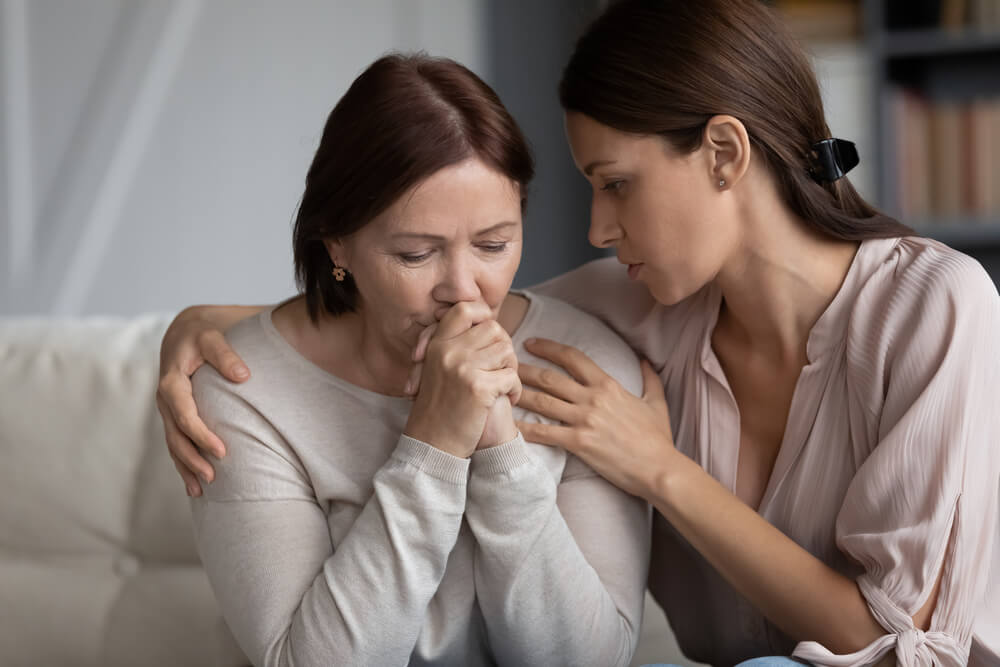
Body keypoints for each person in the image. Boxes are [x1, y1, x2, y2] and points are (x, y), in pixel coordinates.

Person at [160, 1, 1000, 665]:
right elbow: (420, 308)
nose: (598, 227)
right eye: (590, 189)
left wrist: (662, 470)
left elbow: (891, 642)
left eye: (618, 185)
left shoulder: (936, 307)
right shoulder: (638, 302)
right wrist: (198, 325)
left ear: (723, 154)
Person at [173, 53, 651, 667]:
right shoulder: (242, 391)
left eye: (494, 245)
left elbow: (589, 661)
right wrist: (433, 444)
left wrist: (500, 446)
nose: (464, 288)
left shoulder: (584, 363)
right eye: (416, 254)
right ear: (338, 244)